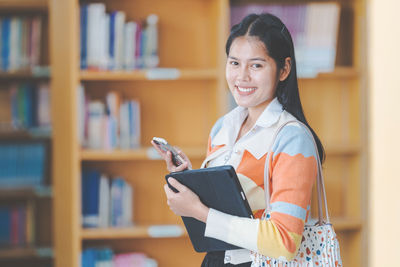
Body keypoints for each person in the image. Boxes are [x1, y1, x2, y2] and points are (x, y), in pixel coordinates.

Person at [151, 13, 324, 267]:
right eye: (234, 63)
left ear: (284, 69)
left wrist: (199, 211)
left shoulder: (292, 138)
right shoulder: (223, 128)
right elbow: (229, 210)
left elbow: (284, 241)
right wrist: (192, 180)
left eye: (256, 65)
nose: (242, 77)